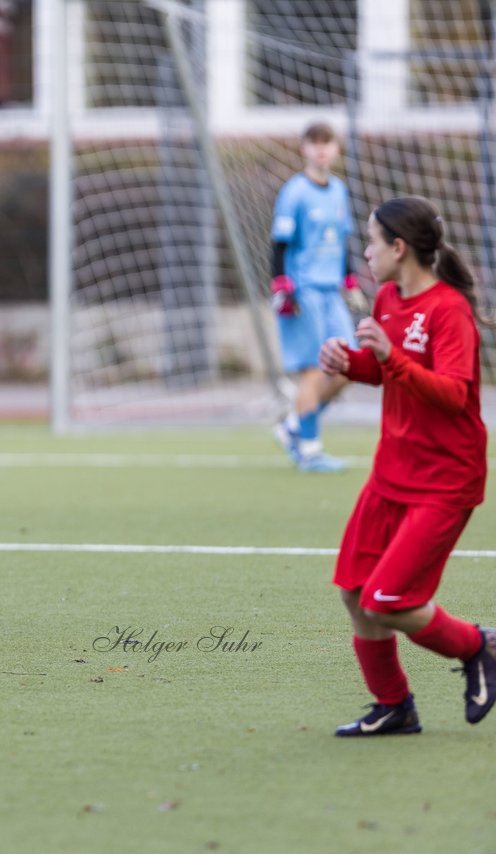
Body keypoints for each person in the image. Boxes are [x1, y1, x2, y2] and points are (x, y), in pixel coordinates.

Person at [317, 195, 496, 736]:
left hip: (445, 480)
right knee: (354, 590)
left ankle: (480, 646)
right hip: (392, 473)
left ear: (399, 247)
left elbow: (452, 394)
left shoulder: (448, 311)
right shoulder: (388, 298)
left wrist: (392, 356)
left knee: (389, 600)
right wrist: (352, 363)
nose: (366, 253)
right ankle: (394, 706)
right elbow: (386, 370)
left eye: (372, 242)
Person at [270, 121, 369, 473]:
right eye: (314, 143)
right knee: (314, 371)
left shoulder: (339, 191)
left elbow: (341, 242)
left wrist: (350, 281)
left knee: (348, 366)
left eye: (327, 143)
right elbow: (279, 245)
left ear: (336, 149)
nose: (321, 150)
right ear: (304, 149)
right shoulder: (295, 192)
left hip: (331, 293)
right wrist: (282, 288)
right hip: (303, 292)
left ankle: (293, 426)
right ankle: (309, 450)